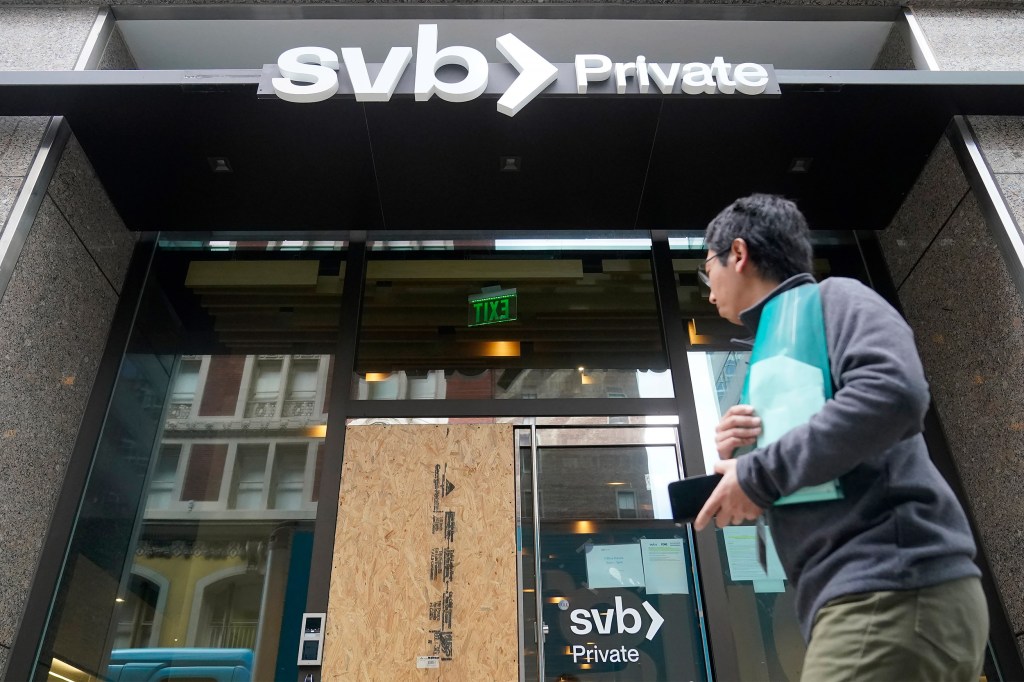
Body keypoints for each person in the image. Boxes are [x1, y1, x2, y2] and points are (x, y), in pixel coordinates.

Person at [692, 194, 988, 681]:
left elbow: (893, 393)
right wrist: (742, 457)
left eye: (708, 269)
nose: (708, 291)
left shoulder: (836, 300)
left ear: (738, 254)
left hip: (890, 588)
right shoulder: (778, 346)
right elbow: (823, 463)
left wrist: (760, 473)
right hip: (877, 596)